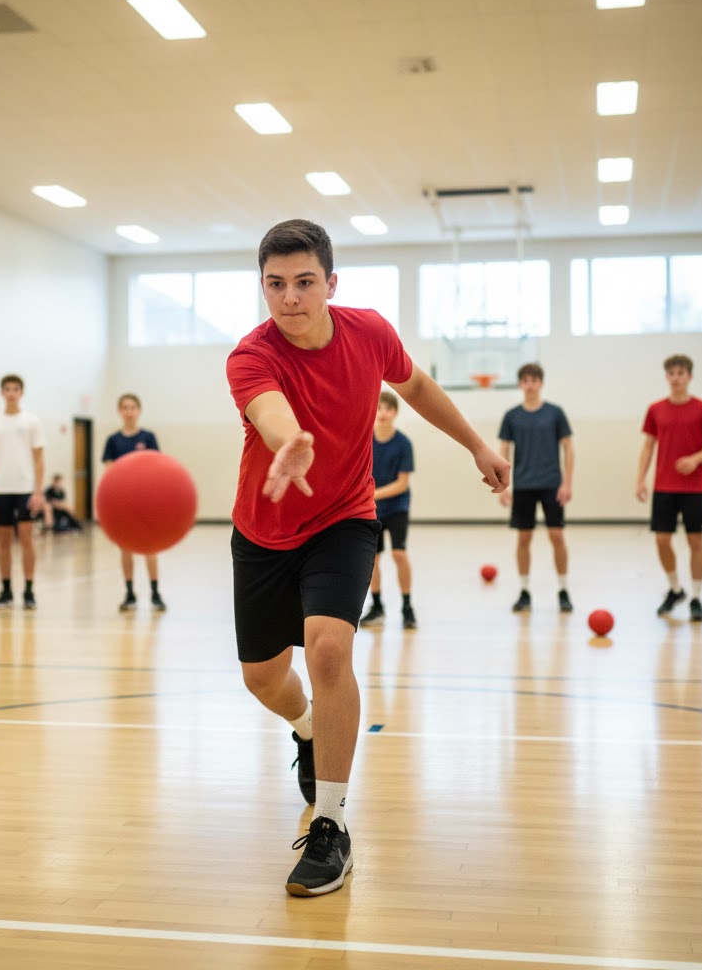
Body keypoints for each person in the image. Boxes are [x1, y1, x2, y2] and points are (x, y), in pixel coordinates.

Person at [226, 219, 510, 897]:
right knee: (263, 679)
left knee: (328, 651)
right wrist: (290, 440)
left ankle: (330, 826)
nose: (289, 298)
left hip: (344, 519)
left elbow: (417, 389)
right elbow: (269, 411)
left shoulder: (370, 331)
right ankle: (303, 728)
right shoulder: (249, 355)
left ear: (331, 283)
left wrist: (476, 443)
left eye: (304, 282)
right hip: (264, 532)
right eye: (274, 284)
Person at [636, 354, 702, 622]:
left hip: (694, 488)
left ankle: (696, 597)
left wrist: (696, 458)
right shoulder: (655, 409)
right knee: (662, 540)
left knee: (695, 540)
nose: (676, 377)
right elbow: (648, 446)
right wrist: (640, 479)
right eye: (671, 373)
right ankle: (675, 589)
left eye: (681, 373)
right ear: (666, 377)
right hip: (664, 486)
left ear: (689, 377)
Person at [497, 363, 575, 614]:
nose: (530, 384)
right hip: (524, 485)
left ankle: (563, 590)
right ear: (520, 384)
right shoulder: (512, 416)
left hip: (552, 483)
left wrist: (567, 481)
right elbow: (504, 450)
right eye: (525, 380)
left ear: (541, 383)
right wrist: (503, 483)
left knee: (557, 536)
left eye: (534, 380)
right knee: (524, 537)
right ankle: (524, 590)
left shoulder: (555, 413)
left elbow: (569, 447)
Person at [0, 374, 47, 611]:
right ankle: (6, 590)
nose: (11, 393)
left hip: (25, 488)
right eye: (7, 389)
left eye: (15, 389)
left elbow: (39, 459)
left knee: (27, 538)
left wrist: (38, 491)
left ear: (21, 393)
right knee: (3, 542)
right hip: (1, 489)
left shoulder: (31, 422)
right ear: (1, 392)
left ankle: (29, 590)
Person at [101, 394, 166, 613]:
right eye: (125, 407)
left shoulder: (148, 437)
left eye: (132, 407)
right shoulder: (113, 440)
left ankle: (155, 593)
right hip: (123, 504)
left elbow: (157, 466)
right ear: (120, 411)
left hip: (146, 502)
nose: (129, 411)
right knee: (125, 548)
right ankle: (129, 594)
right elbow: (110, 470)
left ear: (139, 410)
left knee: (150, 548)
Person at [359, 391, 417, 629]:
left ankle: (407, 606)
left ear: (395, 413)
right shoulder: (363, 440)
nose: (382, 413)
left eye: (388, 408)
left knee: (399, 554)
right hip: (370, 509)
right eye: (378, 407)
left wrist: (372, 493)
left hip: (396, 507)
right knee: (372, 559)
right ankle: (377, 606)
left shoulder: (403, 443)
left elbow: (402, 483)